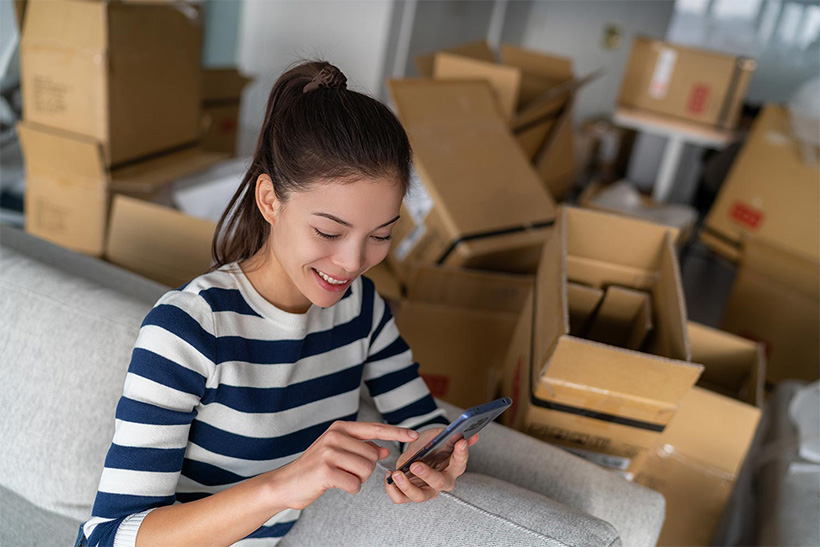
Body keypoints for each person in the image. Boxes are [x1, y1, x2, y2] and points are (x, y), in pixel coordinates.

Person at [75, 61, 479, 547]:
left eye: (381, 235)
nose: (352, 262)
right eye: (329, 231)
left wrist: (435, 462)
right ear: (270, 200)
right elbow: (106, 538)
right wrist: (284, 484)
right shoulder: (189, 330)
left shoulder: (362, 309)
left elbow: (417, 423)